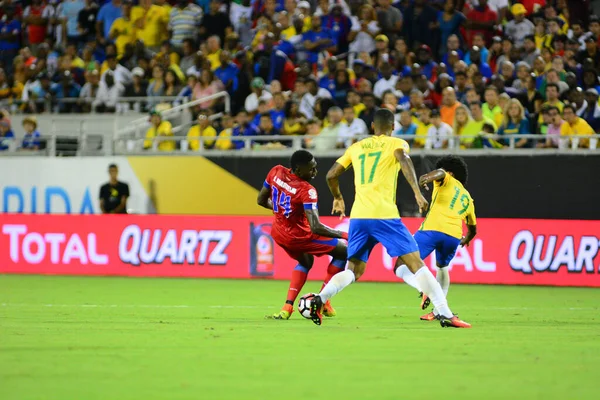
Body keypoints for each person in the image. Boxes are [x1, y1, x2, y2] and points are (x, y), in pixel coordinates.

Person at [309, 109, 471, 328]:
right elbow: (403, 159)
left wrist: (338, 197)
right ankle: (446, 314)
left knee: (353, 270)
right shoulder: (398, 143)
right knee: (416, 264)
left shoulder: (356, 147)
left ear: (373, 127)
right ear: (393, 126)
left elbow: (331, 175)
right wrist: (416, 192)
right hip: (384, 215)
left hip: (359, 216)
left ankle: (320, 298)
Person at [257, 150, 348, 320]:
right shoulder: (307, 190)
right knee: (344, 251)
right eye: (312, 169)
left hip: (279, 233)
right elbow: (315, 227)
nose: (315, 172)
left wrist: (282, 210)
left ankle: (287, 307)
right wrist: (343, 234)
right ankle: (323, 300)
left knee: (306, 262)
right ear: (299, 170)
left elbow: (261, 200)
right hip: (301, 236)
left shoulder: (275, 171)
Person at [396, 155, 476, 320]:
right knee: (442, 267)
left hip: (432, 230)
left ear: (451, 174)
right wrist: (466, 239)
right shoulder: (468, 198)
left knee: (401, 266)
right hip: (453, 236)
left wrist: (425, 178)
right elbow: (473, 229)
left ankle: (425, 288)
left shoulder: (446, 179)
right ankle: (440, 311)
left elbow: (439, 172)